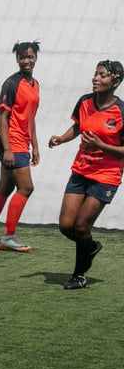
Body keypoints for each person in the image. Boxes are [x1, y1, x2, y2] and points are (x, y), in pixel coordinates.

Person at [48, 60, 124, 290]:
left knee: (82, 226)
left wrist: (102, 145)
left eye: (103, 75)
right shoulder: (84, 102)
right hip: (80, 171)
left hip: (106, 175)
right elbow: (78, 127)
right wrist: (61, 138)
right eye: (95, 74)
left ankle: (79, 275)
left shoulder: (121, 111)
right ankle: (90, 246)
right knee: (65, 225)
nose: (96, 79)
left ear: (116, 82)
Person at [0, 41, 41, 252]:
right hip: (10, 140)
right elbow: (2, 118)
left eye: (30, 56)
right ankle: (8, 237)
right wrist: (7, 149)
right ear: (17, 60)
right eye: (22, 57)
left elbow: (30, 118)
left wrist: (35, 146)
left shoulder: (35, 84)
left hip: (23, 140)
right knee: (26, 188)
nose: (26, 61)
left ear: (36, 58)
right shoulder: (11, 83)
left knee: (5, 187)